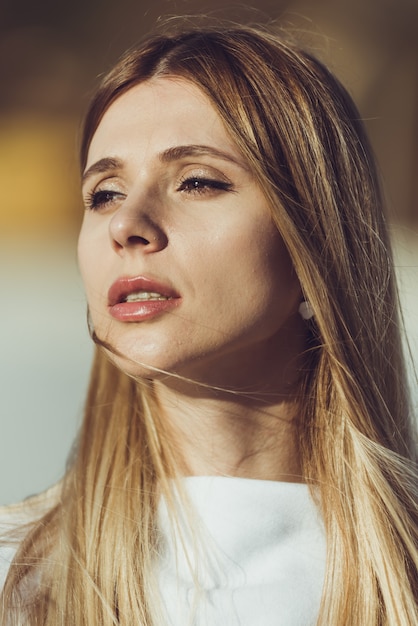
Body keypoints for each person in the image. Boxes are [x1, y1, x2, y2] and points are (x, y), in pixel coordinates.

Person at [1, 20, 417, 626]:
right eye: (105, 194)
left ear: (317, 244)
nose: (127, 225)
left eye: (197, 181)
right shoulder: (18, 579)